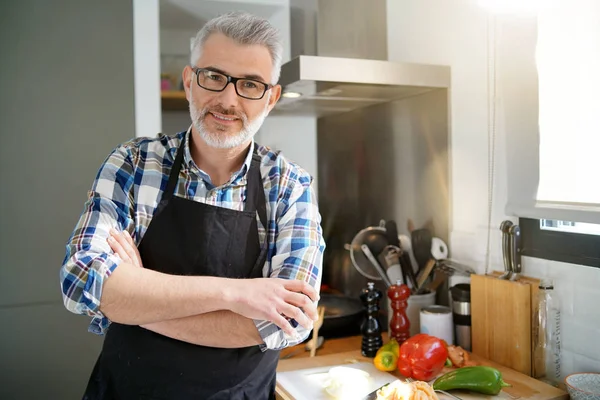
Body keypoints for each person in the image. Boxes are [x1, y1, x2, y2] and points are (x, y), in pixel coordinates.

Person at [59, 11, 325, 400]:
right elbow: (82, 281)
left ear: (271, 98)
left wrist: (136, 303)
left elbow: (287, 323)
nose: (228, 99)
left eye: (250, 84)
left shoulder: (289, 186)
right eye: (214, 77)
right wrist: (236, 295)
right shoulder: (133, 164)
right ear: (189, 82)